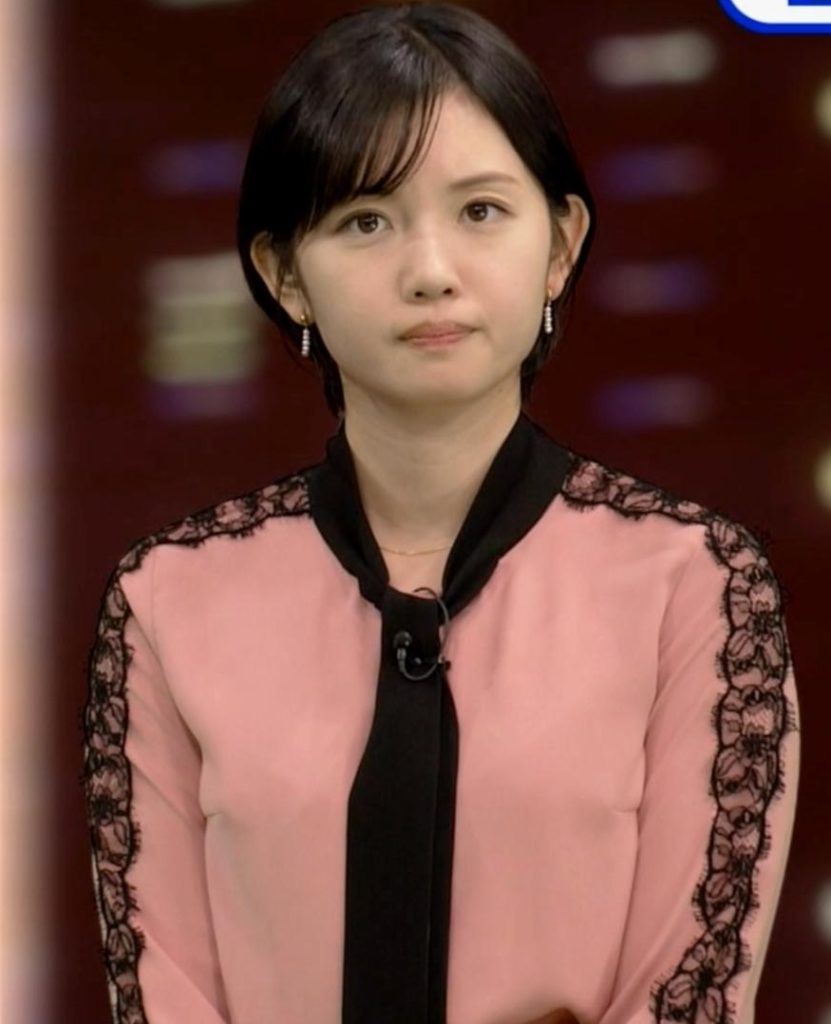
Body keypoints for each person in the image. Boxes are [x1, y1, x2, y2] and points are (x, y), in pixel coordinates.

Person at [80, 3, 800, 1024]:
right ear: (284, 275)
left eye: (480, 211)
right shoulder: (169, 600)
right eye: (365, 221)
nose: (430, 273)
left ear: (561, 244)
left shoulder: (694, 586)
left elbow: (693, 991)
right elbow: (162, 994)